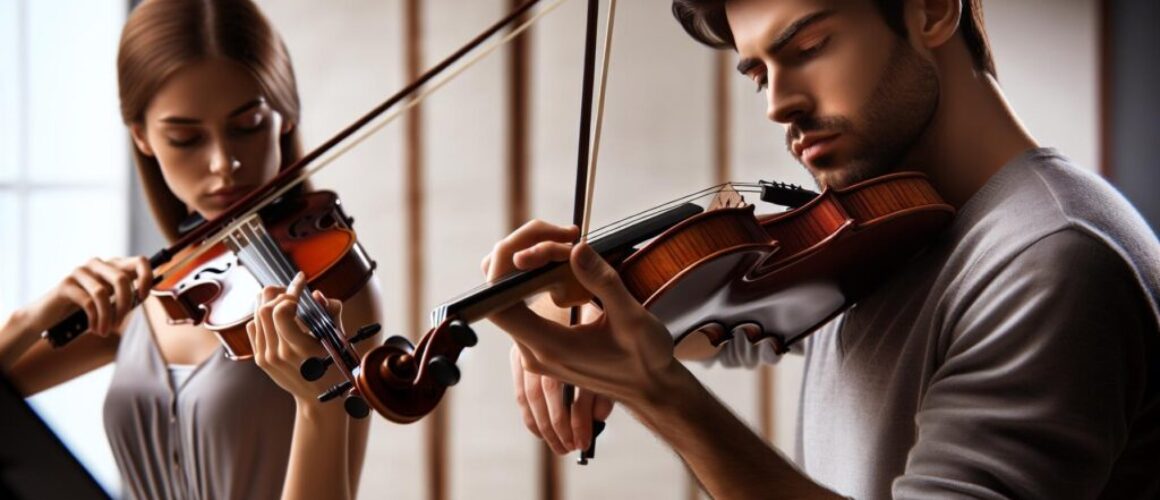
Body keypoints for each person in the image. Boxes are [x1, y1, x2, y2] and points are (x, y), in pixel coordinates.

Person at [483, 0, 1160, 498]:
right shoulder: (887, 227)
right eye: (758, 73)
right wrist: (596, 312)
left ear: (930, 11)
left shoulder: (1050, 258)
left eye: (808, 47)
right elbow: (734, 320)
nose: (777, 103)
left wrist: (658, 392)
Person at [0, 1, 383, 499]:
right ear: (141, 137)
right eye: (185, 138)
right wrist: (33, 318)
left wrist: (319, 407)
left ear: (285, 117)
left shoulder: (336, 289)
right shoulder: (147, 298)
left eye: (248, 126)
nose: (224, 164)